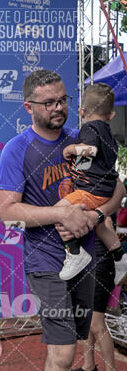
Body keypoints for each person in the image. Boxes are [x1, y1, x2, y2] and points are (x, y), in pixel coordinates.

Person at [0, 69, 124, 371]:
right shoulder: (18, 148)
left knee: (68, 349)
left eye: (63, 100)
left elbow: (117, 185)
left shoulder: (81, 138)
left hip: (87, 258)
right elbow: (8, 210)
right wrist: (60, 214)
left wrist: (96, 213)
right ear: (29, 106)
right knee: (64, 351)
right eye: (49, 102)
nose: (58, 108)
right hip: (48, 262)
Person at [55, 83, 127, 282]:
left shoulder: (89, 128)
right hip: (106, 190)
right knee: (102, 226)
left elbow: (90, 151)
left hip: (92, 191)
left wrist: (71, 149)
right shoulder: (110, 136)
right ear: (111, 115)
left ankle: (75, 252)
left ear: (81, 111)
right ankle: (120, 257)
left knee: (58, 211)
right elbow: (89, 164)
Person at [70, 215, 124, 371]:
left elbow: (107, 225)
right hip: (82, 263)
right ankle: (88, 366)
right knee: (85, 318)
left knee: (96, 322)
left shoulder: (101, 199)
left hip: (100, 263)